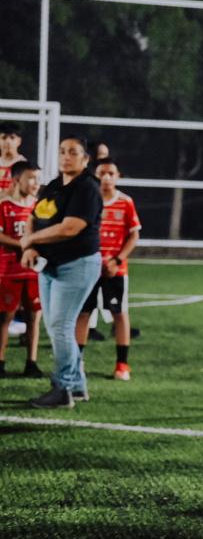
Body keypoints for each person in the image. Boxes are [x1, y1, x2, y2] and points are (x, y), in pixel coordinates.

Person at [19, 137, 103, 408]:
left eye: (73, 152)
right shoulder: (54, 185)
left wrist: (31, 240)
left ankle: (63, 388)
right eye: (62, 151)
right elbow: (32, 217)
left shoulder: (87, 188)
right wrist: (30, 246)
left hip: (76, 264)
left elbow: (70, 227)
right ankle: (76, 386)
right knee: (56, 326)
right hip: (50, 265)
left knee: (61, 326)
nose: (66, 156)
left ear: (85, 159)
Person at [75, 159, 140, 381]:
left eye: (111, 173)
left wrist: (117, 260)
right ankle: (77, 362)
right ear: (95, 176)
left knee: (119, 313)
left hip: (115, 270)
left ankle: (122, 364)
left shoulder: (125, 202)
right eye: (102, 173)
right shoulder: (87, 201)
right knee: (83, 313)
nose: (106, 178)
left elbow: (133, 235)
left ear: (118, 176)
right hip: (89, 268)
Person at [0, 161, 42, 378]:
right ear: (17, 180)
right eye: (31, 178)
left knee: (34, 316)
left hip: (34, 272)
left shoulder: (40, 207)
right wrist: (22, 245)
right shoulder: (4, 205)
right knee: (4, 317)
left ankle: (31, 362)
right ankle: (0, 361)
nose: (36, 183)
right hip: (9, 271)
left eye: (38, 179)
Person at [0, 122, 24, 195]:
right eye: (4, 138)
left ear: (19, 141)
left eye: (12, 138)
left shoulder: (24, 165)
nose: (8, 141)